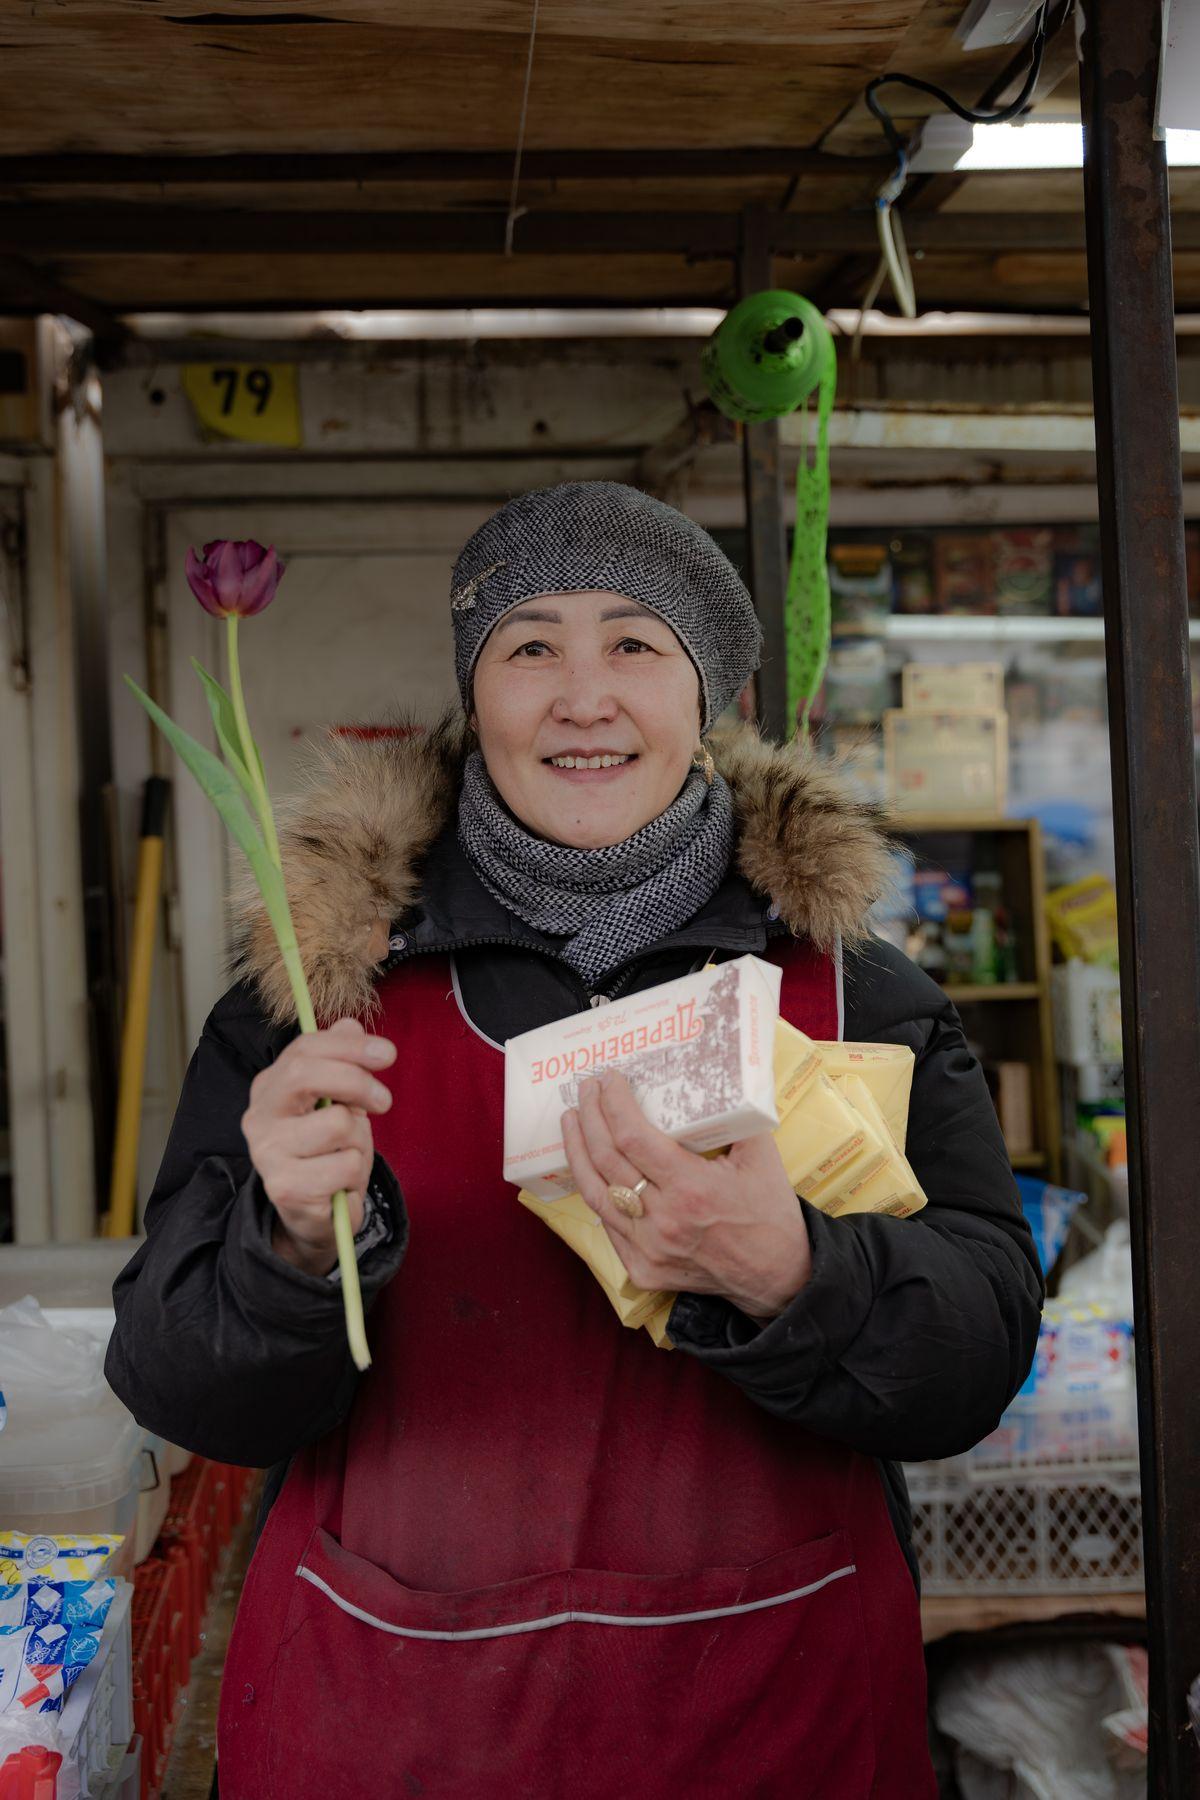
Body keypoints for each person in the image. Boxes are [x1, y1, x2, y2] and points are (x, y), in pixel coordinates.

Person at [107, 481, 1042, 1799]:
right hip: (392, 1716)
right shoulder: (316, 1001)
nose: (583, 696)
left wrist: (794, 1275)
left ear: (701, 691)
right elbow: (178, 1387)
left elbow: (981, 1361)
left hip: (772, 1717)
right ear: (474, 696)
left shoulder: (852, 992)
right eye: (530, 645)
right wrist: (287, 1251)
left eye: (635, 645)